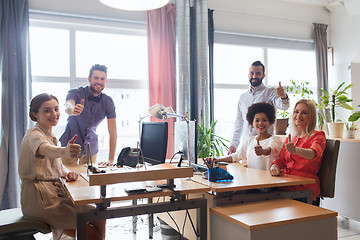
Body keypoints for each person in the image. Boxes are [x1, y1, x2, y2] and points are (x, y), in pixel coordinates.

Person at [19, 93, 105, 240]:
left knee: (99, 215)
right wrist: (64, 151)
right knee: (90, 234)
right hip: (39, 200)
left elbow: (54, 164)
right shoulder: (34, 135)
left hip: (53, 195)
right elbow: (46, 150)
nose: (54, 114)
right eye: (47, 110)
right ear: (35, 114)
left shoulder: (50, 136)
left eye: (56, 109)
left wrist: (67, 173)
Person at [270, 99, 326, 204]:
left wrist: (296, 150)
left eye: (304, 113)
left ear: (312, 116)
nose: (299, 115)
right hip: (286, 185)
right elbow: (280, 160)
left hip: (304, 188)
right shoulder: (290, 137)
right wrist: (275, 166)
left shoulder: (318, 135)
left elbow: (314, 154)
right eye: (296, 111)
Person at [60, 64, 117, 166]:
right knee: (67, 179)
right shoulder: (76, 93)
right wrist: (73, 110)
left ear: (106, 81)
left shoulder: (108, 102)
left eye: (102, 79)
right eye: (96, 78)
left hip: (91, 148)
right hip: (70, 145)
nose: (99, 81)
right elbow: (67, 106)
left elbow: (113, 132)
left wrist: (111, 159)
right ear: (89, 79)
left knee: (88, 180)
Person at [228, 60, 289, 154]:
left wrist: (283, 96)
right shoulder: (243, 97)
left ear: (263, 75)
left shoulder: (270, 92)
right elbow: (239, 123)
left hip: (264, 145)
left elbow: (284, 106)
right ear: (248, 74)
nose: (254, 76)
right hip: (245, 146)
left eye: (258, 73)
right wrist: (234, 144)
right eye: (251, 73)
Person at [209, 102, 282, 170]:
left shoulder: (275, 139)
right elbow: (236, 156)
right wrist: (217, 160)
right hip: (250, 181)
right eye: (257, 120)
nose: (260, 123)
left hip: (269, 181)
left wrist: (262, 151)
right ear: (252, 123)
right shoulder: (250, 140)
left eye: (264, 120)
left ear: (270, 122)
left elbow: (270, 150)